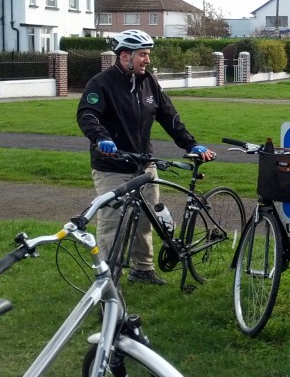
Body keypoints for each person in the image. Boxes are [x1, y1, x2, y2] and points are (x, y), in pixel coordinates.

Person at [77, 29, 215, 285]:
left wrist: (191, 144)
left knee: (145, 218)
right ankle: (107, 283)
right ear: (125, 56)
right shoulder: (101, 83)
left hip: (143, 164)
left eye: (148, 54)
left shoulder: (148, 82)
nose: (147, 60)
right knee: (112, 224)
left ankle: (142, 269)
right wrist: (101, 138)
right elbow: (87, 114)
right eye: (143, 55)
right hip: (112, 167)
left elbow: (169, 116)